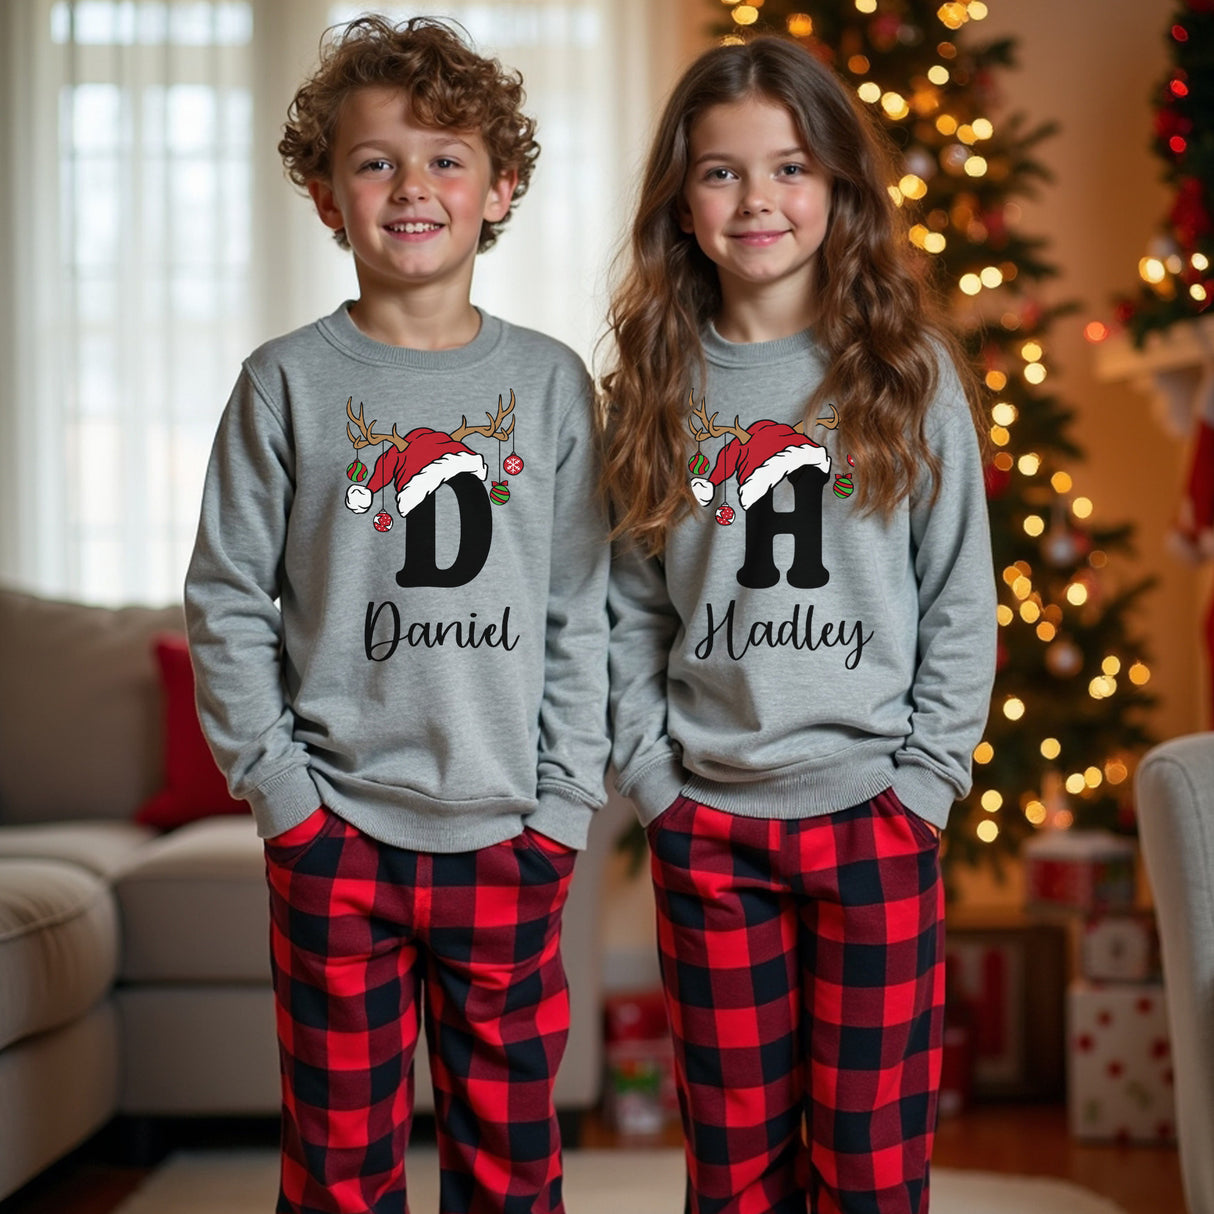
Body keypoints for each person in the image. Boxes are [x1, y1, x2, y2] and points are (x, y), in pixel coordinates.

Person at [184, 15, 609, 1214]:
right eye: (375, 161)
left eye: (445, 158)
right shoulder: (283, 382)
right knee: (337, 1165)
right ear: (327, 196)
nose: (411, 186)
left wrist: (562, 805)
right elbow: (225, 596)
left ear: (499, 187)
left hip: (508, 831)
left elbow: (583, 610)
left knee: (511, 1163)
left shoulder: (549, 384)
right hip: (337, 835)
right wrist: (285, 800)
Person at [600, 35, 996, 1214]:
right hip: (710, 824)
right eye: (720, 172)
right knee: (732, 1169)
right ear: (680, 199)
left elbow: (956, 595)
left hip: (874, 813)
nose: (756, 200)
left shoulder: (907, 374)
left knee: (869, 1165)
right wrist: (659, 787)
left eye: (788, 168)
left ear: (835, 185)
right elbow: (626, 608)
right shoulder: (653, 384)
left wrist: (923, 785)